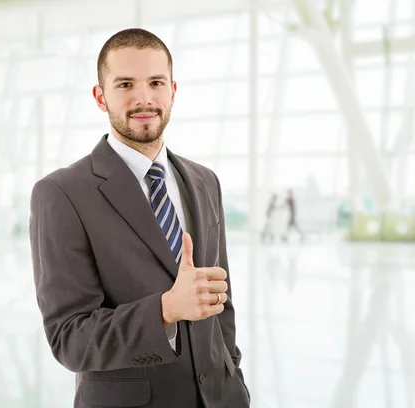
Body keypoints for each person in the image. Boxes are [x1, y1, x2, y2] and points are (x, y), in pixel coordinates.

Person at [29, 28, 250, 408]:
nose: (144, 98)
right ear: (101, 97)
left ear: (173, 91)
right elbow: (69, 338)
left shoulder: (204, 181)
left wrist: (234, 377)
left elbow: (220, 304)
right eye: (125, 84)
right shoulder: (62, 194)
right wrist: (166, 310)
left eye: (156, 83)